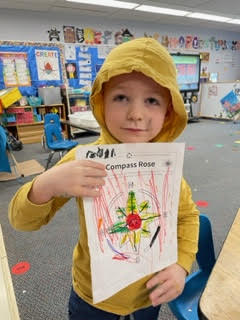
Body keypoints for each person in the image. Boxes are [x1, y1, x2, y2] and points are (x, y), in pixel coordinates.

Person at [9, 37, 199, 320]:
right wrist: (45, 184)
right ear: (101, 100)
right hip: (94, 298)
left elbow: (187, 217)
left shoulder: (166, 167)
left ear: (168, 111)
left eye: (152, 100)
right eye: (121, 97)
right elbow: (22, 221)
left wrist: (182, 265)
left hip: (150, 293)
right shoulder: (84, 160)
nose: (136, 114)